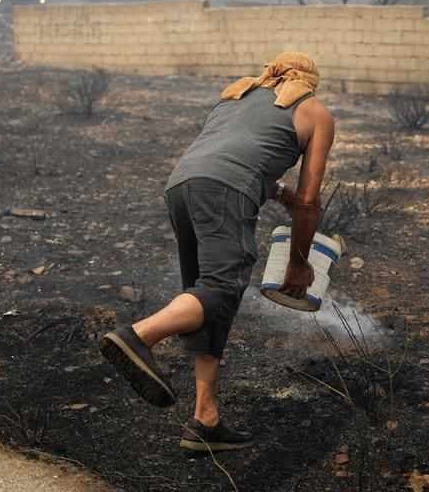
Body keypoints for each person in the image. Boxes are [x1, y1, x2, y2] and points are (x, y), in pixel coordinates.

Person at [101, 52, 335, 453]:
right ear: (311, 83)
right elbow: (311, 202)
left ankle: (205, 420)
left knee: (208, 299)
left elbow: (232, 152)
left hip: (181, 186)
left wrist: (280, 192)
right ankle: (138, 337)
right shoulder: (316, 112)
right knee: (223, 287)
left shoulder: (238, 94)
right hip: (224, 192)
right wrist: (299, 262)